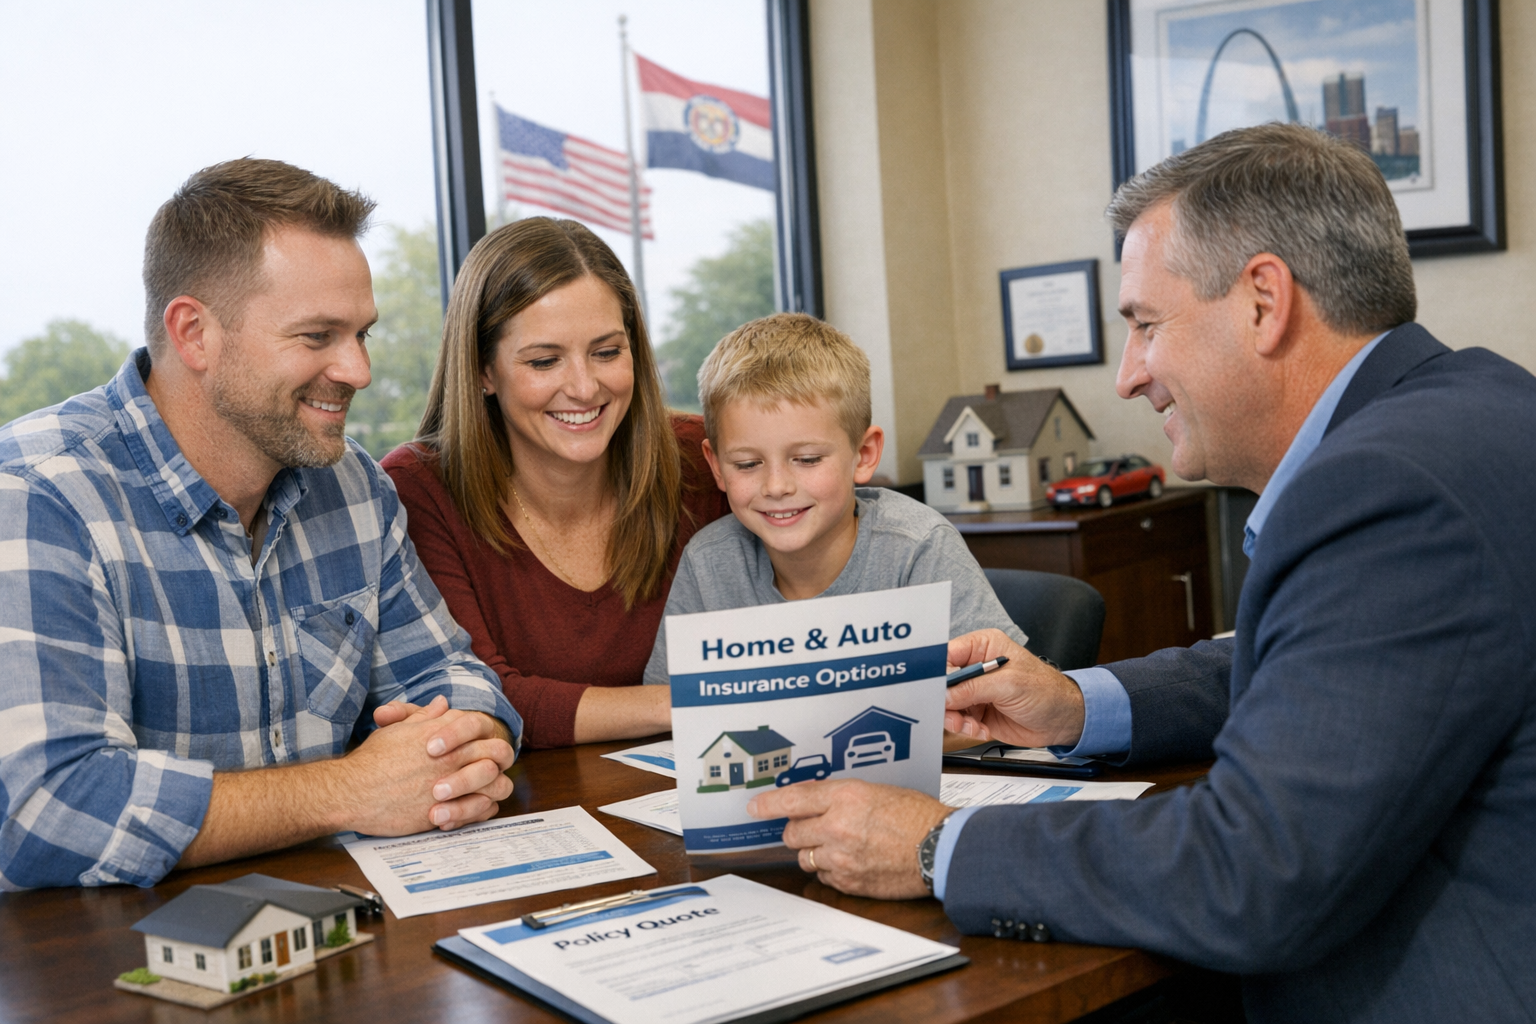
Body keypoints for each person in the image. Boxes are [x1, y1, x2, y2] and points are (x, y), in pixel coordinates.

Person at [747, 123, 1536, 1022]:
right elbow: (1326, 666)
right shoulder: (1477, 406)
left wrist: (937, 844)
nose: (1127, 377)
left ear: (1264, 301)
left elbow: (1255, 872)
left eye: (1146, 326)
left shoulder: (1382, 489)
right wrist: (1075, 706)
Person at [0, 159, 522, 891]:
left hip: (342, 921)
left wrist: (459, 747)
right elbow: (49, 809)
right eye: (317, 336)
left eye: (362, 334)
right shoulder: (38, 494)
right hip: (115, 950)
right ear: (194, 333)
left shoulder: (353, 485)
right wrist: (350, 790)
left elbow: (455, 678)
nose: (358, 370)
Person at [382, 218, 729, 748]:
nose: (585, 388)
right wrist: (706, 698)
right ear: (483, 371)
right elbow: (482, 696)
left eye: (607, 352)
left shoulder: (703, 459)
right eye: (545, 361)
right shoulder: (419, 490)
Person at [642, 312, 1024, 684]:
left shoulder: (919, 548)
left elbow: (1006, 690)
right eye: (747, 464)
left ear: (864, 454)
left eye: (808, 459)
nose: (776, 486)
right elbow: (667, 702)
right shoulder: (708, 562)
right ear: (716, 466)